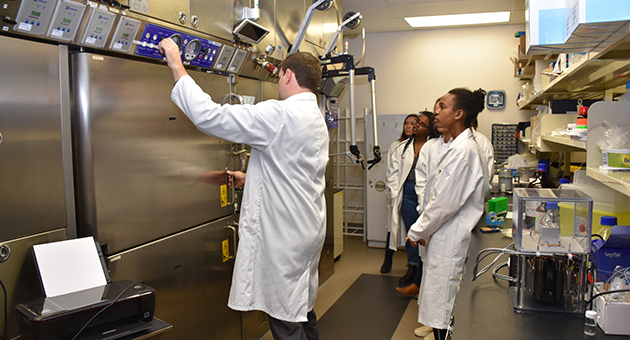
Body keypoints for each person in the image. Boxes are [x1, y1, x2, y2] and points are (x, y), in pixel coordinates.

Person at [158, 38, 328, 340]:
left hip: (285, 236)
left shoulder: (281, 114)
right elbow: (295, 172)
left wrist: (176, 64)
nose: (278, 85)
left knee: (285, 318)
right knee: (302, 309)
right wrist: (251, 179)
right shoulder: (313, 116)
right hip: (306, 229)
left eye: (278, 78)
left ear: (288, 75)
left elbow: (210, 116)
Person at [407, 88, 487, 340]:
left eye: (442, 107)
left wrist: (417, 231)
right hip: (441, 233)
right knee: (440, 301)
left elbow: (443, 204)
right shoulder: (454, 147)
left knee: (443, 303)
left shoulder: (464, 151)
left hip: (450, 235)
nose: (436, 112)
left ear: (459, 114)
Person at [380, 114, 417, 275]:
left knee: (413, 230)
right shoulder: (397, 145)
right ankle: (388, 259)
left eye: (413, 124)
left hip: (416, 191)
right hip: (401, 191)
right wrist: (394, 193)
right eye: (406, 124)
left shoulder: (426, 146)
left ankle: (413, 265)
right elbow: (391, 172)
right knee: (393, 228)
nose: (409, 127)